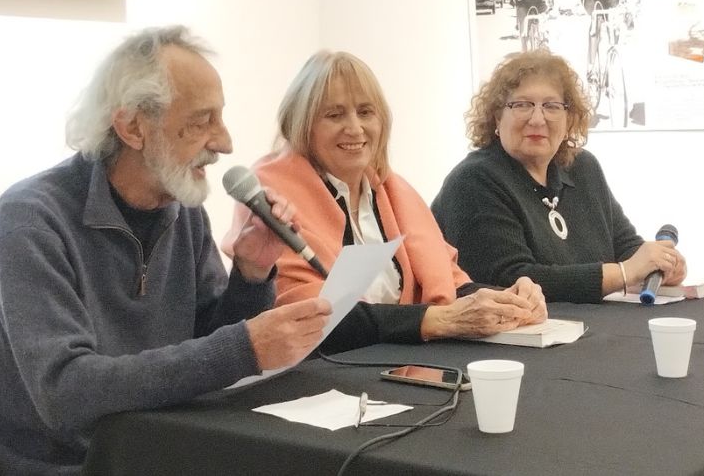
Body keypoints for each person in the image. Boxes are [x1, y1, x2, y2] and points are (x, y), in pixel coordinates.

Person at [0, 26, 332, 476]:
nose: (224, 143)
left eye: (220, 118)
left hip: (166, 442)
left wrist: (251, 275)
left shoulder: (181, 208)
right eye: (201, 122)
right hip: (75, 463)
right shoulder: (31, 218)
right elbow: (65, 391)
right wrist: (244, 348)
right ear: (132, 128)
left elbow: (208, 344)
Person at [223, 50, 547, 353]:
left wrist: (506, 300)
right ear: (302, 125)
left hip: (402, 361)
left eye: (366, 112)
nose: (355, 128)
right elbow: (310, 315)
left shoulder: (392, 189)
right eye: (334, 115)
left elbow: (448, 282)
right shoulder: (272, 195)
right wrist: (435, 320)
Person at [431, 50, 687, 303]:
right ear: (497, 117)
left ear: (569, 119)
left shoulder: (583, 167)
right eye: (522, 105)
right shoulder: (473, 181)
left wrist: (659, 265)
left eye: (551, 106)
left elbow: (626, 247)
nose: (537, 119)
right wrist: (624, 273)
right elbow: (511, 279)